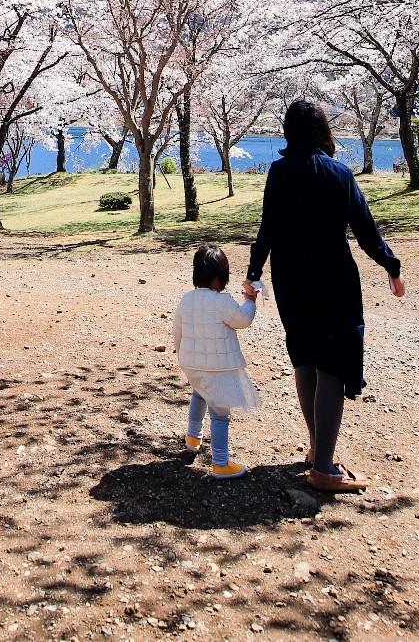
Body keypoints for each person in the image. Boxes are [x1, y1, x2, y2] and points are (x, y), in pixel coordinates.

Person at [246, 100, 405, 494]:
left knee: (305, 357)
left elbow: (268, 228)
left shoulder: (278, 173)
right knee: (332, 363)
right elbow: (366, 231)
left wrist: (254, 272)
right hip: (332, 280)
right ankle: (323, 469)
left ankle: (318, 447)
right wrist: (392, 266)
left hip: (290, 280)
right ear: (322, 131)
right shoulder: (339, 173)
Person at [172, 243, 260, 479]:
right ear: (221, 277)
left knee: (199, 393)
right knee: (220, 413)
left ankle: (192, 438)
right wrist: (250, 300)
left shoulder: (186, 299)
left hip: (191, 364)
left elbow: (177, 330)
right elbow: (242, 320)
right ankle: (220, 462)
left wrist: (182, 355)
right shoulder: (223, 302)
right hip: (217, 369)